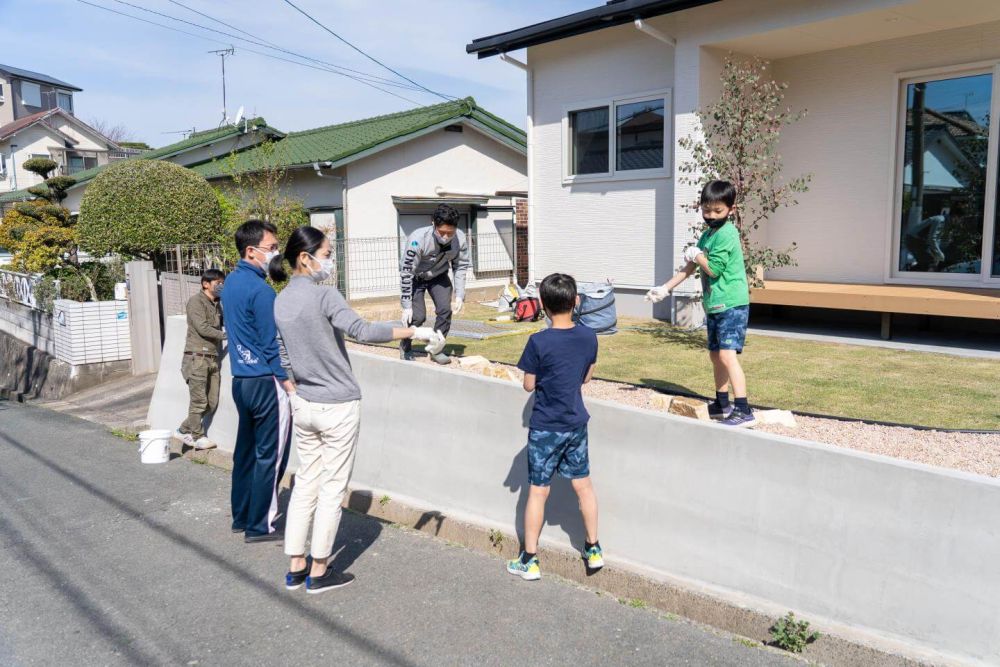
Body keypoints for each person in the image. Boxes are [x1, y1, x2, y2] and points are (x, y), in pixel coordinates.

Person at [272, 226, 443, 594]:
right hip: (337, 404)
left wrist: (293, 384)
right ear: (306, 258)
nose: (330, 261)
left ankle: (295, 566)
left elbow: (281, 352)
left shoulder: (281, 300)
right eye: (327, 253)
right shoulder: (324, 295)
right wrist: (410, 332)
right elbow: (361, 330)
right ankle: (319, 570)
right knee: (332, 488)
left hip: (303, 403)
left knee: (305, 484)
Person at [507, 273, 602, 582]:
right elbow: (586, 377)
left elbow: (528, 384)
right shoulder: (589, 337)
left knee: (538, 491)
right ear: (575, 302)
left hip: (546, 426)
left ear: (543, 305)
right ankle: (594, 548)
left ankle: (530, 559)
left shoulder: (538, 341)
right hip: (576, 422)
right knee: (583, 485)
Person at [645, 180, 755, 427]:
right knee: (716, 356)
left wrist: (697, 254)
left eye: (718, 211)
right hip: (715, 305)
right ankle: (722, 402)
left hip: (731, 304)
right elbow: (690, 267)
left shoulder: (728, 233)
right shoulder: (707, 235)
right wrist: (664, 288)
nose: (711, 216)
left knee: (727, 355)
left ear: (731, 209)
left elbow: (713, 269)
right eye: (707, 210)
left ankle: (744, 409)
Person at [220, 220, 294, 543]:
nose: (275, 253)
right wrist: (286, 382)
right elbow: (270, 342)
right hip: (266, 381)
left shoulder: (230, 284)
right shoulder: (262, 291)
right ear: (251, 252)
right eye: (272, 248)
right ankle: (259, 524)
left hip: (241, 380)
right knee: (271, 453)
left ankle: (242, 515)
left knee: (246, 451)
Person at [398, 203, 471, 365]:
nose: (445, 237)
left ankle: (437, 349)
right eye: (442, 232)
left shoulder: (460, 238)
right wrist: (406, 305)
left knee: (445, 310)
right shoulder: (417, 239)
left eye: (449, 233)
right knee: (417, 317)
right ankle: (405, 344)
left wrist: (459, 294)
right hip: (416, 278)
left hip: (439, 276)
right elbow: (406, 272)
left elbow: (461, 266)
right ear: (433, 224)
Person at [175, 268, 226, 450]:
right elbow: (203, 328)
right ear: (205, 283)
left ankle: (183, 430)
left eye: (223, 283)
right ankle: (197, 436)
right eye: (217, 283)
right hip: (197, 358)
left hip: (212, 358)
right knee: (198, 402)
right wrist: (226, 335)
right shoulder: (196, 302)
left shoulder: (217, 304)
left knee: (211, 403)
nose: (221, 286)